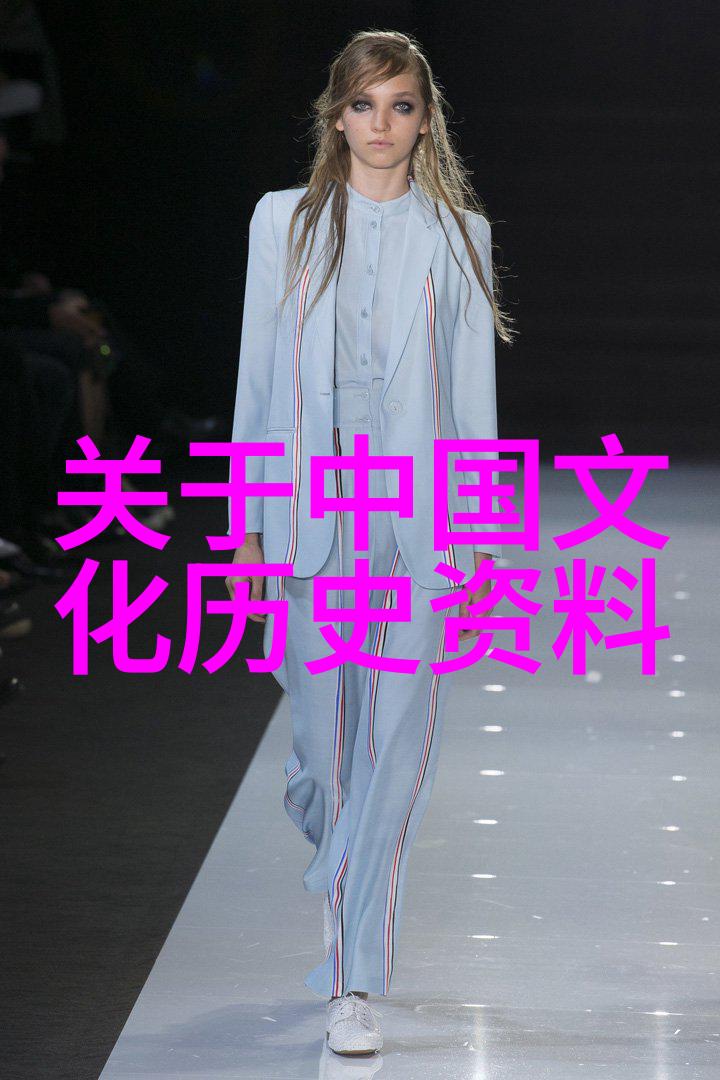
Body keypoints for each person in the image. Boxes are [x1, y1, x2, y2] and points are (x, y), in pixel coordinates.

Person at [226, 29, 514, 1056]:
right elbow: (259, 374)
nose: (380, 123)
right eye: (362, 104)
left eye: (400, 105)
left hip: (417, 518)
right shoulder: (284, 222)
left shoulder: (459, 235)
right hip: (314, 514)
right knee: (323, 756)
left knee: (393, 746)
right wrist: (247, 523)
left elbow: (471, 398)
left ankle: (353, 977)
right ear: (335, 115)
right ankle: (333, 835)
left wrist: (477, 537)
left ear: (426, 120)